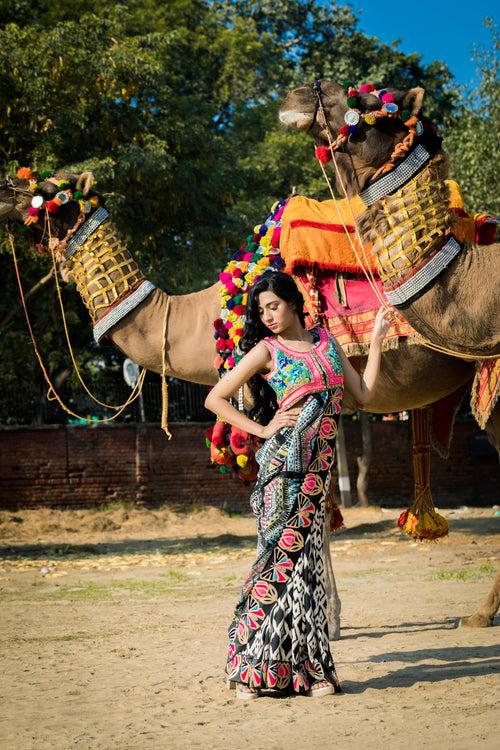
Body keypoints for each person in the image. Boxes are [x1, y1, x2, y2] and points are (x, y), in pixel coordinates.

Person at [205, 270, 392, 699]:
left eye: (274, 306)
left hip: (317, 475)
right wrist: (264, 428)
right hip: (283, 473)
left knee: (307, 570)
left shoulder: (327, 342)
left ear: (293, 302)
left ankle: (310, 672)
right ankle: (249, 670)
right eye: (261, 310)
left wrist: (377, 339)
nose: (268, 316)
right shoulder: (266, 351)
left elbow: (362, 394)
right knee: (276, 564)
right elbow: (214, 398)